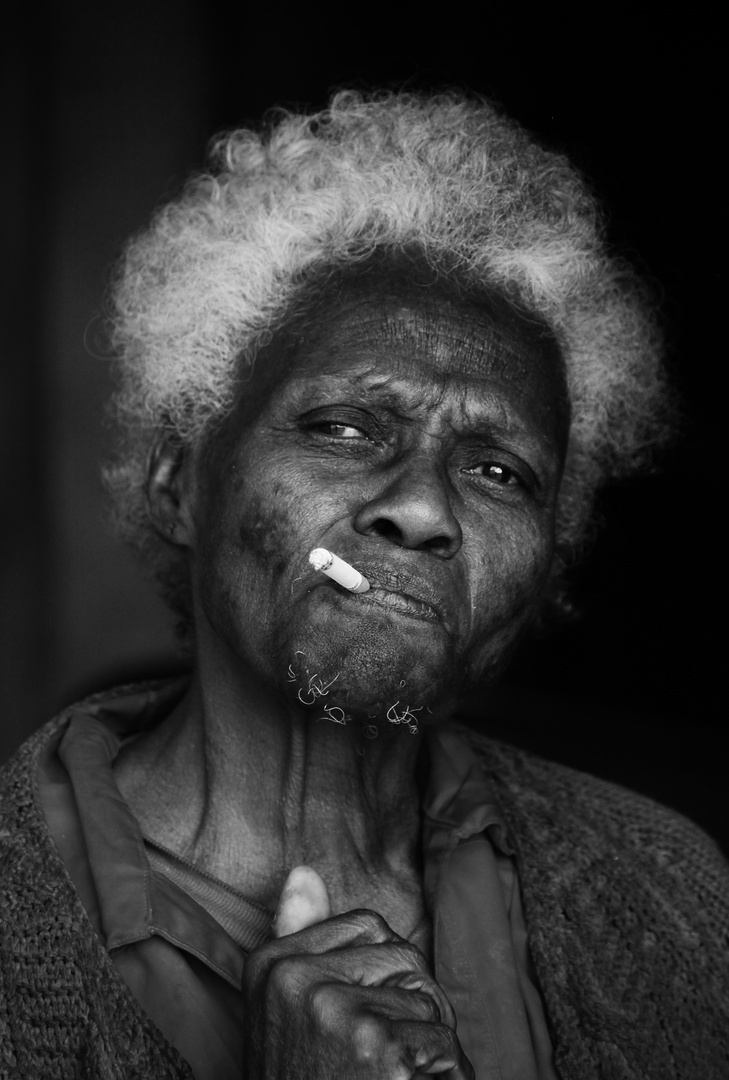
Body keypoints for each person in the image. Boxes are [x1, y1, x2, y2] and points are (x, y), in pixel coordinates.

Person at [1, 90, 727, 1080]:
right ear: (184, 484)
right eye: (341, 429)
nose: (424, 508)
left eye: (498, 471)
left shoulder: (672, 898)